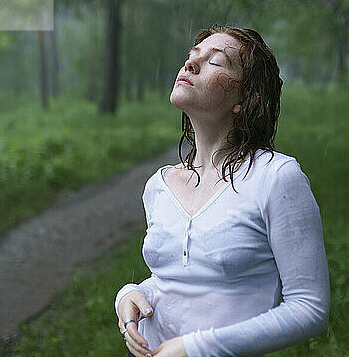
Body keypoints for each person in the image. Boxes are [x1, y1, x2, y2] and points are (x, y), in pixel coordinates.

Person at [114, 24, 330, 357]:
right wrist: (129, 294)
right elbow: (178, 280)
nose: (190, 65)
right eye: (192, 56)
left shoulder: (276, 178)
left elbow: (310, 308)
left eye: (216, 61)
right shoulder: (159, 185)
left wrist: (196, 348)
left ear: (245, 99)